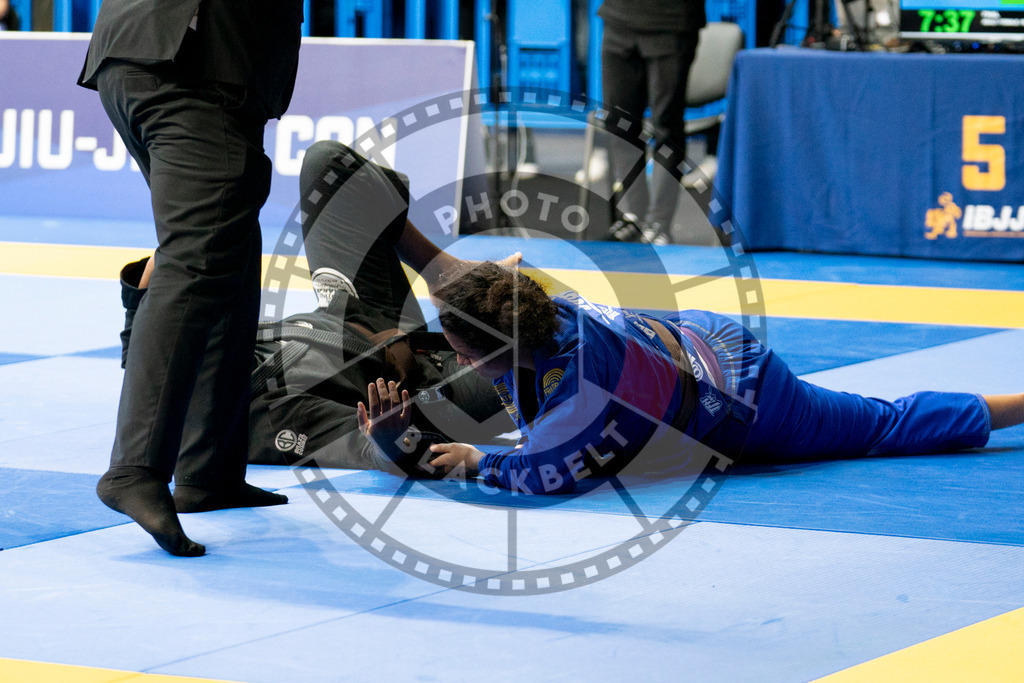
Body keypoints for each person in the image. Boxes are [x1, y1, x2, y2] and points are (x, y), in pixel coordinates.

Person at [421, 263, 1024, 494]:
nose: (458, 359)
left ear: (493, 347)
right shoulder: (543, 303)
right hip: (705, 340)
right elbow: (513, 272)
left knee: (879, 425)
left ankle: (1017, 405)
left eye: (462, 351)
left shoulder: (578, 395)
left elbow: (539, 475)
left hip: (747, 396)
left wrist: (479, 462)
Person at [117, 141, 519, 482]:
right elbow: (361, 448)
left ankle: (444, 272)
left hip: (355, 310)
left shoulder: (162, 351)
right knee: (544, 347)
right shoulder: (253, 419)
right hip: (432, 389)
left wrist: (185, 240)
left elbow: (147, 299)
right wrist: (390, 440)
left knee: (328, 164)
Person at [78, 0, 303, 556]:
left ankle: (208, 471)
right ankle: (134, 467)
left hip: (158, 56)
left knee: (227, 258)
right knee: (198, 260)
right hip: (188, 62)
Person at [599, 0, 705, 246]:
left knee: (665, 127)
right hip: (618, 20)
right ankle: (634, 216)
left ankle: (659, 222)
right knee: (618, 124)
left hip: (671, 22)